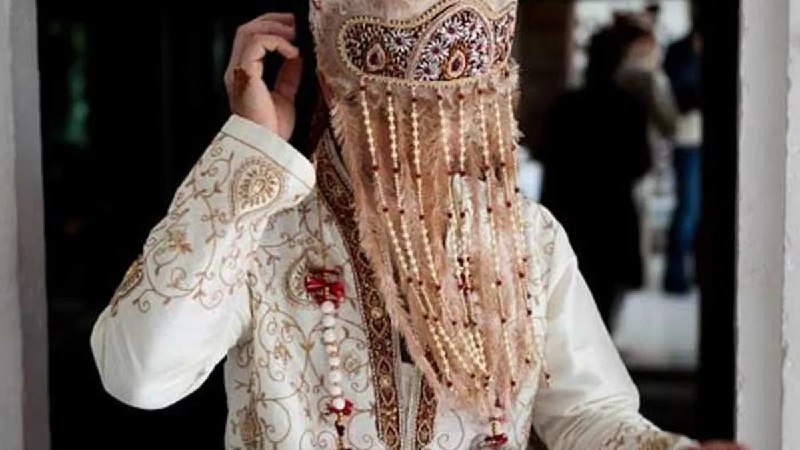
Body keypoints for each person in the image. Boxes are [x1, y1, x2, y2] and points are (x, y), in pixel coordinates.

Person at [90, 2, 742, 449]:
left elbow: (587, 413)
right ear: (340, 92)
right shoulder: (262, 227)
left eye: (461, 110)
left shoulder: (524, 238)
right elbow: (138, 374)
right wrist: (249, 155)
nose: (436, 140)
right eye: (404, 114)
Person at [540, 25, 651, 328]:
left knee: (571, 304)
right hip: (612, 216)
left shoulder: (566, 105)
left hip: (572, 214)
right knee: (604, 305)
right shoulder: (629, 107)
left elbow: (547, 159)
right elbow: (641, 164)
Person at [663, 17, 703, 294]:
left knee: (695, 212)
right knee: (687, 210)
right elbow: (679, 96)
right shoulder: (680, 52)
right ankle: (675, 276)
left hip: (696, 138)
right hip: (688, 139)